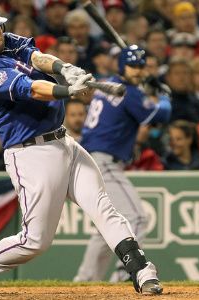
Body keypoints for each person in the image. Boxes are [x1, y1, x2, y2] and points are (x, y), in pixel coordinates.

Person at [0, 2, 163, 296]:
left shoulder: (3, 42)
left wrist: (66, 68)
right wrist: (68, 89)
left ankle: (141, 271)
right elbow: (33, 89)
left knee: (104, 207)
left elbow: (36, 58)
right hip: (31, 154)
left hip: (64, 142)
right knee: (34, 242)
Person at [75, 45, 171, 283]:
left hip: (89, 159)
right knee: (136, 217)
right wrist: (164, 96)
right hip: (103, 161)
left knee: (106, 227)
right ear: (122, 66)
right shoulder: (127, 91)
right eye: (132, 66)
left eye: (140, 66)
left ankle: (84, 281)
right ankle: (127, 273)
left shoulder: (111, 85)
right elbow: (160, 116)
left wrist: (146, 91)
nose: (137, 71)